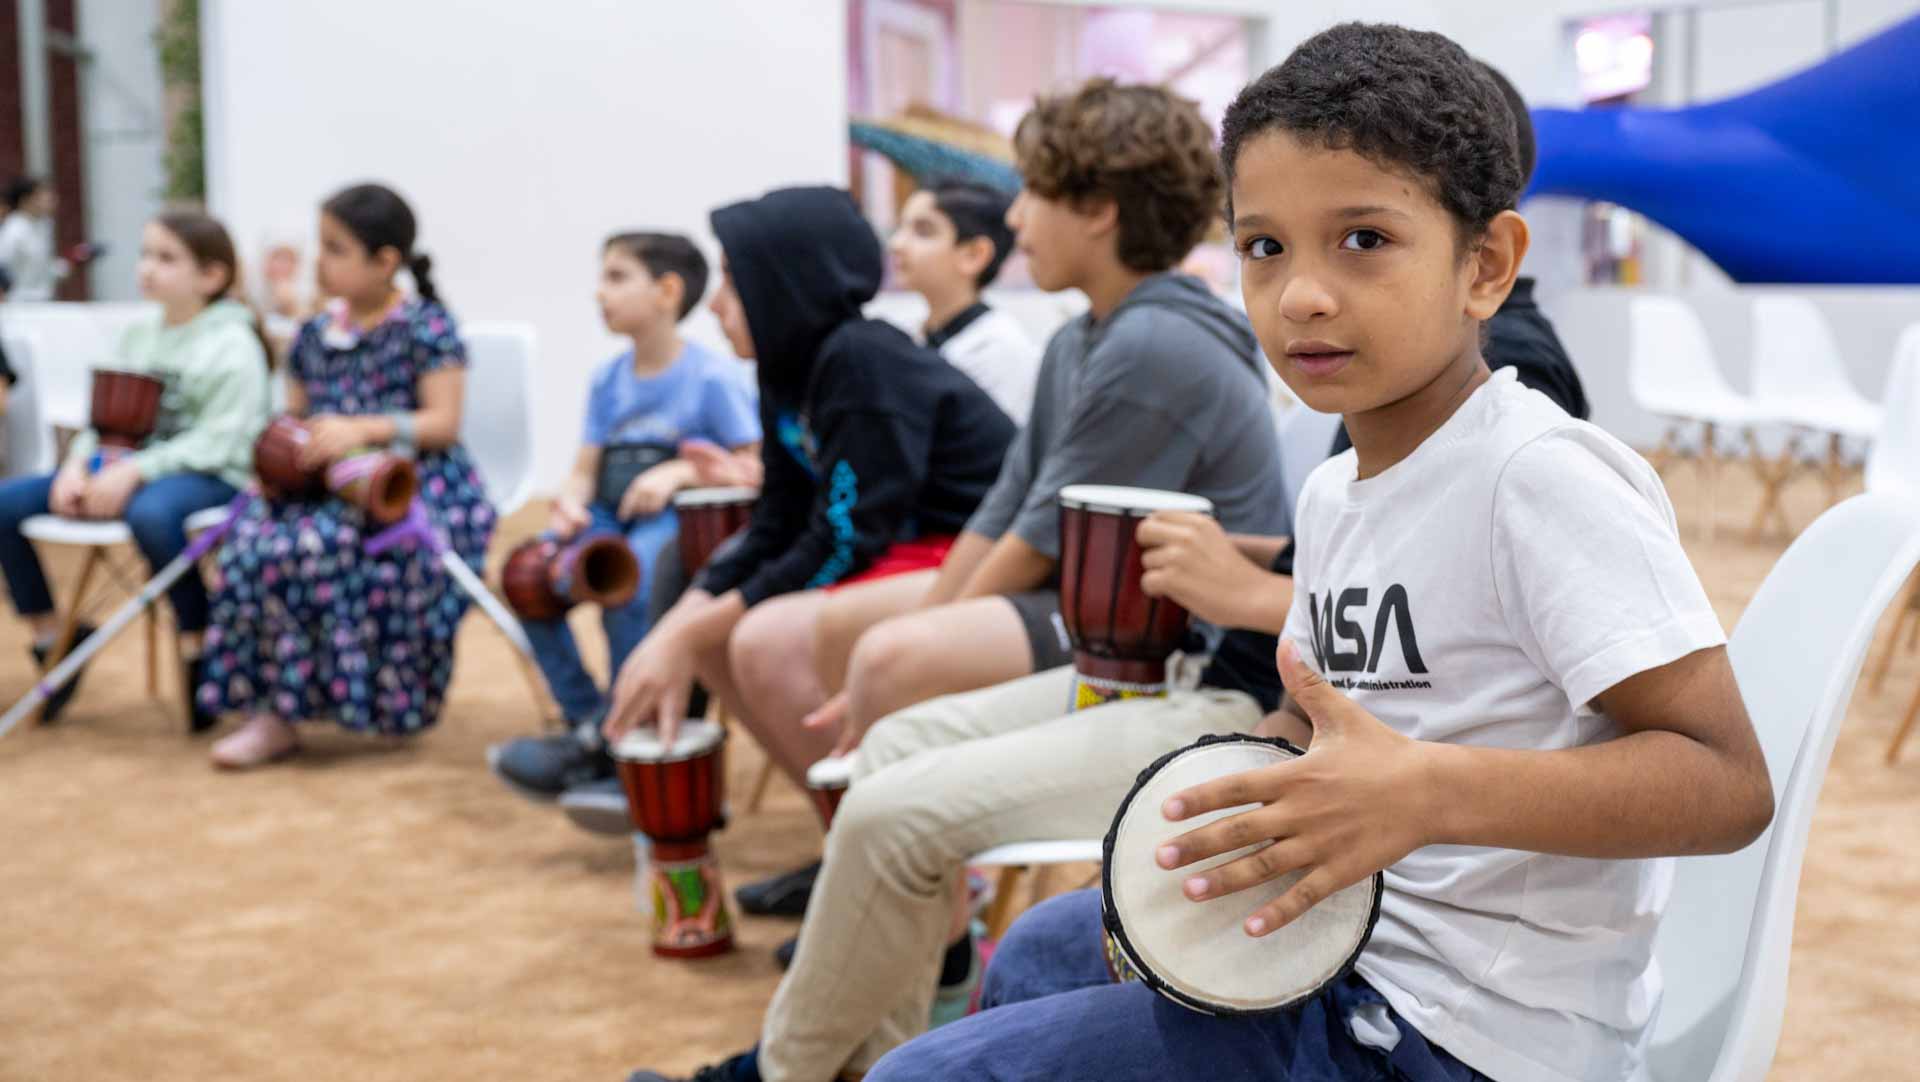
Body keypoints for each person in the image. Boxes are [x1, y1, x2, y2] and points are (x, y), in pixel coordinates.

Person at [868, 23, 1774, 1082]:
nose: (1300, 292)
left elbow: (1725, 783)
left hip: (1469, 1033)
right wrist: (1249, 771)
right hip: (1343, 943)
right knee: (1040, 948)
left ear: (1486, 264)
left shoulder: (1541, 477)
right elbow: (1320, 708)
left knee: (918, 1076)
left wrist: (1426, 791)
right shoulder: (1335, 488)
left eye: (1363, 239)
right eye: (1265, 246)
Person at [621, 78, 1293, 1082]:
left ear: (1100, 210)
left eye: (1032, 193)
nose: (1015, 215)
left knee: (893, 757)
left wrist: (913, 638)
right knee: (886, 724)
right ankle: (896, 1033)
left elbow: (1038, 533)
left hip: (1179, 663)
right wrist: (925, 623)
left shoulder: (1159, 337)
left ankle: (796, 1057)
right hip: (1133, 643)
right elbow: (1011, 504)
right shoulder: (1085, 334)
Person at [595, 184, 1015, 767]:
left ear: (785, 287)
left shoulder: (862, 359)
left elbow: (847, 537)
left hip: (970, 553)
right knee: (713, 635)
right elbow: (778, 520)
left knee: (761, 637)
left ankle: (871, 835)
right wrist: (682, 623)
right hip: (903, 546)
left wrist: (688, 631)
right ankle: (836, 827)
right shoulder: (784, 371)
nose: (714, 306)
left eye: (733, 285)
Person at [196, 183, 497, 768]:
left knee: (327, 545)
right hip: (323, 484)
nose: (319, 261)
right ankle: (273, 713)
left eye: (335, 248)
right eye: (320, 245)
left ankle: (382, 702)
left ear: (386, 262)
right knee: (251, 542)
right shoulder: (313, 333)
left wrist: (364, 429)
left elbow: (443, 424)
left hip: (415, 481)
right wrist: (282, 457)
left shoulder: (426, 326)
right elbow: (298, 414)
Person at [489, 231, 760, 801]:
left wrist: (678, 473)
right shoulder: (607, 378)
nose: (599, 294)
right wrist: (569, 501)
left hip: (671, 525)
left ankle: (622, 733)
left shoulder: (711, 376)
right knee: (531, 574)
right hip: (608, 515)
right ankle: (589, 720)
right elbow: (586, 467)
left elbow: (750, 462)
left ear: (666, 291)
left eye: (616, 277)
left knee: (632, 582)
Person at [0, 211, 271, 726]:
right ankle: (53, 638)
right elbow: (101, 422)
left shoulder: (233, 344)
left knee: (152, 515)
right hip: (123, 472)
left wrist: (137, 470)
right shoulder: (137, 334)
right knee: (4, 505)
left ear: (211, 276)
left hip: (210, 477)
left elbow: (222, 440)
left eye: (165, 258)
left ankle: (199, 645)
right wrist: (76, 466)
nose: (146, 268)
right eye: (145, 254)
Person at [887, 179, 1040, 424]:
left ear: (973, 254)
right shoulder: (905, 334)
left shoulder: (1004, 354)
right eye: (900, 227)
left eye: (923, 231)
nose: (897, 244)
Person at [0, 177, 93, 301]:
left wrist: (74, 260)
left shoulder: (43, 225)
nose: (52, 201)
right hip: (18, 303)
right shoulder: (14, 229)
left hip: (42, 301)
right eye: (44, 196)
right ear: (25, 200)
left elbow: (44, 269)